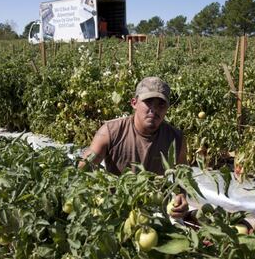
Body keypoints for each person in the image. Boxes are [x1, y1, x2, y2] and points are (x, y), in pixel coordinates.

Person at [79, 77, 189, 219]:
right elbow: (84, 168)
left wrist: (181, 196)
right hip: (117, 208)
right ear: (134, 103)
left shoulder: (176, 138)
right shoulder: (110, 131)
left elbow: (183, 176)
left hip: (155, 211)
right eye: (148, 102)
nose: (154, 110)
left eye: (161, 105)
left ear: (168, 108)